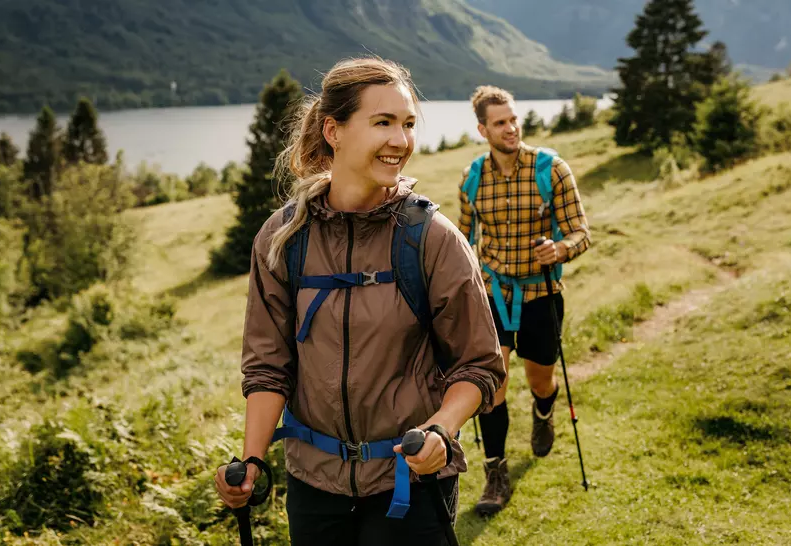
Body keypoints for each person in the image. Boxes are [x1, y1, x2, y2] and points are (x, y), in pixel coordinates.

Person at [213, 57, 505, 545]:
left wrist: (441, 430)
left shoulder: (432, 239)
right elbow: (267, 367)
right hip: (314, 487)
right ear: (334, 130)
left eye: (408, 124)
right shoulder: (283, 239)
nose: (401, 141)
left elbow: (480, 366)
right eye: (383, 122)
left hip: (408, 482)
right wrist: (252, 460)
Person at [458, 85, 591, 517]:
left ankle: (543, 409)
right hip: (492, 294)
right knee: (491, 387)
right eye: (500, 122)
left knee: (539, 380)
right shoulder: (472, 179)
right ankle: (495, 474)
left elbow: (581, 233)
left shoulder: (551, 169)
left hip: (542, 295)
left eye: (513, 119)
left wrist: (561, 249)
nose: (511, 128)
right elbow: (460, 242)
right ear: (483, 129)